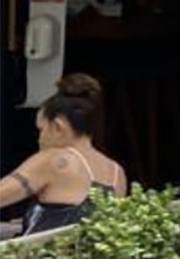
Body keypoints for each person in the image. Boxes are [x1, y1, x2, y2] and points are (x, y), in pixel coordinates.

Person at [0, 74, 127, 235]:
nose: (39, 139)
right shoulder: (117, 172)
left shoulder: (57, 160)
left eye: (41, 130)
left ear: (58, 127)